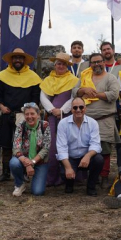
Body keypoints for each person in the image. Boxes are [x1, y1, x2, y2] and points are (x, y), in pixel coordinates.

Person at [0, 48, 42, 182]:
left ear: (24, 60)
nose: (18, 60)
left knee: (26, 144)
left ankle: (26, 171)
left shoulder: (33, 77)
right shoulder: (3, 76)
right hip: (8, 115)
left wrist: (28, 111)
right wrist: (1, 106)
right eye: (15, 58)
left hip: (26, 116)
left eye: (20, 58)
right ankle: (6, 173)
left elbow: (35, 97)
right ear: (11, 60)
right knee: (6, 145)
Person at [73, 53, 121, 184]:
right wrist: (84, 90)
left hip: (105, 119)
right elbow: (74, 91)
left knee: (104, 149)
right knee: (86, 148)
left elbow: (114, 94)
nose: (97, 64)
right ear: (90, 64)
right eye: (94, 62)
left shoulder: (111, 78)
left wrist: (94, 94)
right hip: (86, 120)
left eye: (99, 61)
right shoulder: (84, 77)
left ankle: (104, 176)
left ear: (104, 62)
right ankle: (89, 176)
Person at [39, 52, 79, 186]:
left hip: (67, 116)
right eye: (59, 63)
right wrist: (52, 110)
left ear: (67, 66)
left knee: (69, 145)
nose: (61, 66)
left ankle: (69, 176)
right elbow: (43, 97)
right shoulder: (48, 80)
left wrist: (62, 110)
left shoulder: (74, 80)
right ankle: (52, 177)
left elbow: (74, 97)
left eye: (64, 64)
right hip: (51, 117)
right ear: (55, 65)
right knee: (51, 146)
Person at [55, 97, 104, 196]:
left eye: (81, 107)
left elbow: (96, 145)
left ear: (85, 108)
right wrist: (68, 167)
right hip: (70, 158)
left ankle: (91, 187)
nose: (78, 110)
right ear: (71, 109)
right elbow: (61, 148)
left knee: (99, 159)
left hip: (85, 157)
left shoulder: (93, 123)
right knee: (65, 173)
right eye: (75, 108)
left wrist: (88, 156)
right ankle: (69, 184)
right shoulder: (63, 123)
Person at [10, 102, 51, 197]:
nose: (29, 116)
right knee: (14, 163)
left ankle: (34, 177)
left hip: (39, 161)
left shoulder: (45, 125)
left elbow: (46, 148)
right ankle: (20, 184)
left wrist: (32, 162)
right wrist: (26, 163)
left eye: (32, 114)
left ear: (38, 115)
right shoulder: (21, 125)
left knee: (38, 192)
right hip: (23, 159)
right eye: (27, 114)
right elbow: (16, 147)